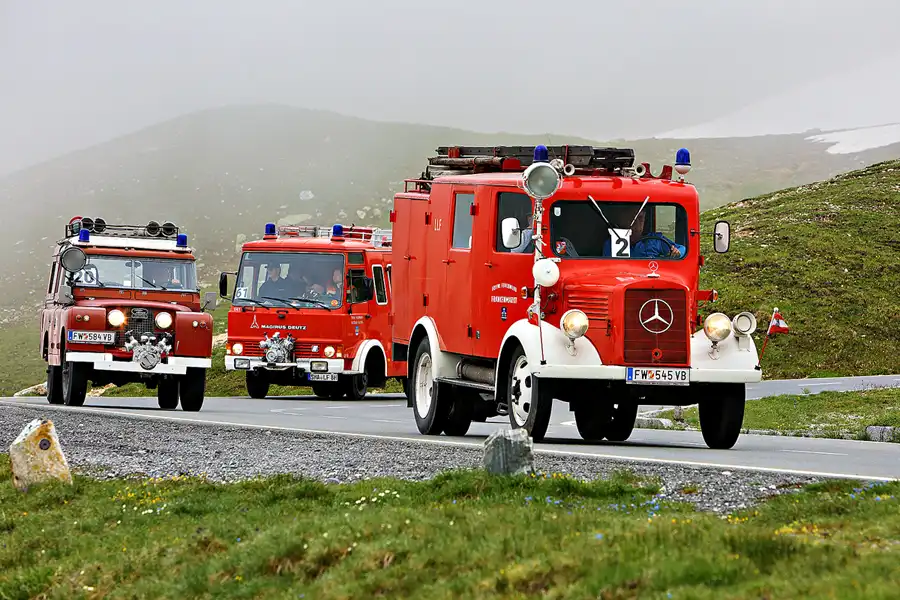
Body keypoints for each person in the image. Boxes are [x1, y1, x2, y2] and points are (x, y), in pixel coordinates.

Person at [602, 206, 686, 259]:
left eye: (641, 218)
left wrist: (676, 252)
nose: (638, 223)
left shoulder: (655, 240)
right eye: (633, 219)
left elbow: (683, 249)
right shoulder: (613, 244)